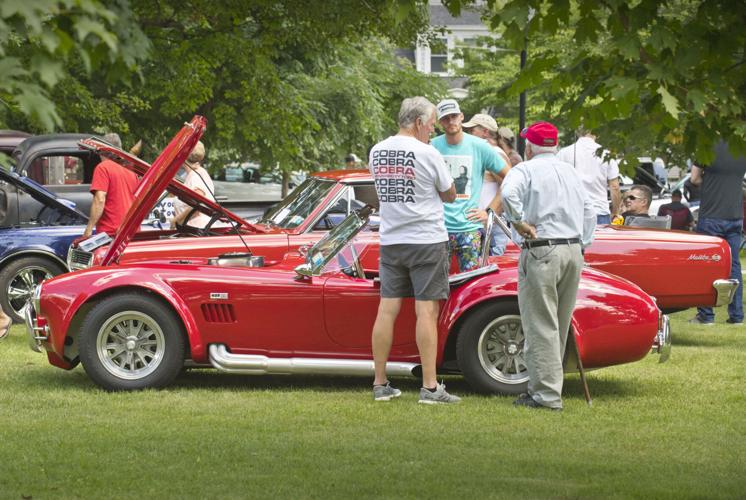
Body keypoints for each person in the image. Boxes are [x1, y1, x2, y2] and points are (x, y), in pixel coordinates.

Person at [368, 96, 460, 404]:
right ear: (419, 122)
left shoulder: (376, 151)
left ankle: (380, 383)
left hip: (392, 239)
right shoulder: (428, 152)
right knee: (426, 311)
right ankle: (430, 387)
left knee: (387, 310)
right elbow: (449, 194)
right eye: (432, 124)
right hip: (426, 240)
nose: (432, 130)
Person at [501, 121, 595, 411]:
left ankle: (546, 395)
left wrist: (519, 222)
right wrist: (583, 244)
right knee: (559, 323)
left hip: (543, 249)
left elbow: (507, 195)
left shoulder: (525, 169)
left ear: (529, 147)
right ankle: (548, 389)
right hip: (572, 249)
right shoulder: (571, 171)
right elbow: (590, 211)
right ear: (554, 144)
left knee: (541, 324)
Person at [431, 99, 510, 272]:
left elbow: (510, 177)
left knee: (472, 283)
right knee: (435, 285)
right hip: (438, 229)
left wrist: (490, 211)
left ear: (461, 117)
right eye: (446, 118)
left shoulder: (479, 146)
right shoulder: (432, 146)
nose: (451, 121)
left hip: (469, 229)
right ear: (440, 122)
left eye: (454, 116)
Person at [689, 141, 746, 325]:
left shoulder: (706, 146)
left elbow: (694, 179)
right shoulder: (742, 147)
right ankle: (737, 316)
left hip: (711, 215)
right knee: (734, 265)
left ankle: (706, 315)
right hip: (734, 216)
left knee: (706, 263)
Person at [463, 113, 511, 255]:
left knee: (487, 272)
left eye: (472, 130)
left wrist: (489, 213)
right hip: (478, 224)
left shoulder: (494, 153)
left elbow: (508, 186)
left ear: (485, 132)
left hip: (491, 227)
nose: (467, 134)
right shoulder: (479, 152)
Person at [557, 129, 621, 225]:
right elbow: (615, 187)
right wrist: (615, 212)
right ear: (597, 132)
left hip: (572, 213)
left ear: (577, 132)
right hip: (599, 211)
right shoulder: (607, 155)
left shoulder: (563, 153)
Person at [82, 133, 139, 238]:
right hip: (133, 233)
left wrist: (89, 229)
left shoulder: (103, 168)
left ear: (103, 150)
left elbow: (99, 199)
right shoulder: (131, 171)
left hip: (111, 234)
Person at [172, 141, 216, 229]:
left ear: (183, 157)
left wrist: (176, 221)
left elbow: (198, 204)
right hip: (198, 229)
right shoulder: (200, 172)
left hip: (195, 228)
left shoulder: (194, 177)